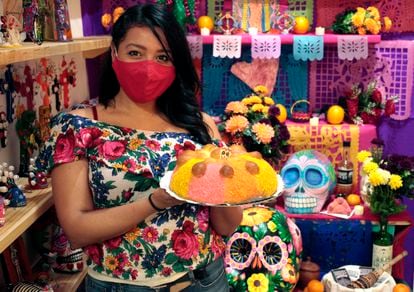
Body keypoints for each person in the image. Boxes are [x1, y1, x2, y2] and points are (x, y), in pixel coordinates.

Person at [36, 3, 243, 291]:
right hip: (121, 285)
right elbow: (77, 229)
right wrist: (155, 202)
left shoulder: (200, 125)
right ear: (114, 53)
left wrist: (221, 185)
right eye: (135, 53)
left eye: (163, 57)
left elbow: (227, 225)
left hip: (205, 279)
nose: (149, 67)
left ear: (176, 65)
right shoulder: (77, 127)